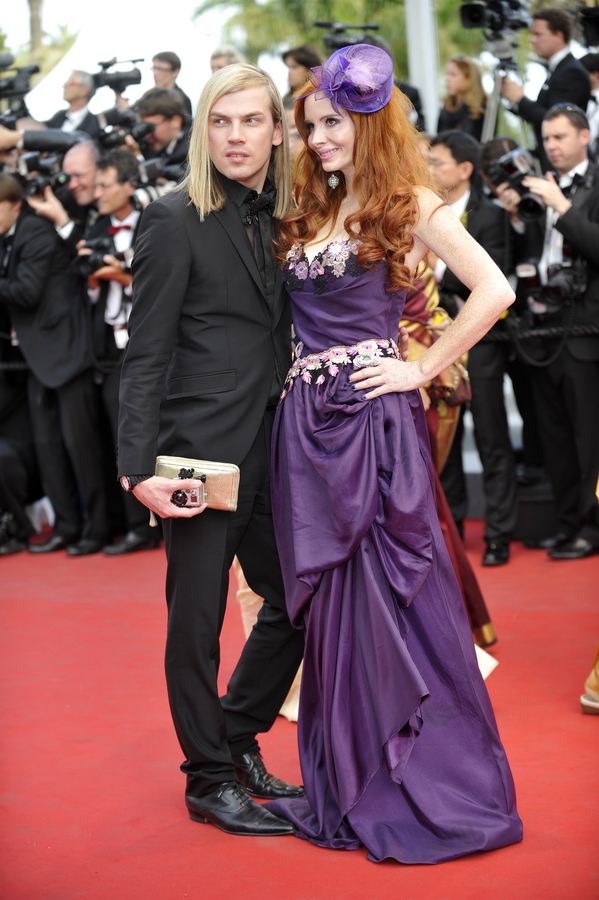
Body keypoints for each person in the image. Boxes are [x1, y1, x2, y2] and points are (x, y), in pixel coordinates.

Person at [265, 44, 522, 863]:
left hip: (373, 429)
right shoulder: (310, 206)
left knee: (391, 594)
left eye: (332, 123)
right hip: (306, 429)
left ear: (368, 124)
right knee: (333, 607)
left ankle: (421, 784)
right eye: (310, 126)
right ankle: (347, 778)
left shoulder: (410, 201)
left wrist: (420, 367)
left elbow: (495, 289)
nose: (318, 138)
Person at [117, 64, 307, 837]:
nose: (235, 136)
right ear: (204, 132)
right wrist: (137, 468)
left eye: (251, 121)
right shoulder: (172, 218)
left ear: (276, 130)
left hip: (276, 448)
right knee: (195, 625)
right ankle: (207, 780)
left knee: (295, 603)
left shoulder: (290, 215)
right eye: (220, 122)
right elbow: (145, 352)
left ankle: (235, 735)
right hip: (196, 457)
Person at [500, 104, 599, 559]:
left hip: (585, 327)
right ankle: (567, 524)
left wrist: (561, 206)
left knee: (588, 437)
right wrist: (518, 218)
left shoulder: (590, 184)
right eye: (546, 138)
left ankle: (591, 528)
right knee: (554, 436)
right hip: (542, 327)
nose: (552, 146)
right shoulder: (540, 186)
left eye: (560, 137)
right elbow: (530, 256)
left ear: (584, 136)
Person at [428, 130, 516, 565]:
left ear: (465, 169)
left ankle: (499, 534)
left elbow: (491, 279)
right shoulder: (420, 211)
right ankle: (454, 532)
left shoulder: (491, 216)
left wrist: (437, 273)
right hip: (432, 341)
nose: (429, 169)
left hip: (482, 344)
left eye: (437, 162)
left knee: (490, 435)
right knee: (443, 442)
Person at [76, 150, 158, 555]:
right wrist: (95, 278)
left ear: (129, 185)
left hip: (148, 339)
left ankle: (149, 526)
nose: (98, 193)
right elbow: (87, 288)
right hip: (108, 342)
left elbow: (159, 284)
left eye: (106, 185)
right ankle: (129, 525)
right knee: (115, 434)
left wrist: (123, 276)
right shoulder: (95, 226)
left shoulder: (154, 221)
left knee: (141, 432)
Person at [501, 8, 590, 172]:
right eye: (532, 34)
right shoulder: (559, 69)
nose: (532, 40)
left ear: (559, 36)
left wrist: (520, 99)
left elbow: (556, 121)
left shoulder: (571, 71)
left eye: (538, 34)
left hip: (565, 167)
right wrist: (515, 101)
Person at [437, 56, 486, 141]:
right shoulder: (446, 108)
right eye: (447, 74)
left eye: (453, 74)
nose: (447, 78)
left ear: (469, 78)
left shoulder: (482, 109)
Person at [45, 71, 101, 138]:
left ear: (84, 90)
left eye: (70, 83)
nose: (64, 86)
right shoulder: (60, 116)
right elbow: (42, 130)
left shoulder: (95, 123)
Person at [150, 51, 192, 118]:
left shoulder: (182, 100)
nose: (155, 73)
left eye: (160, 69)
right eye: (154, 68)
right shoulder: (150, 97)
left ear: (175, 72)